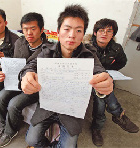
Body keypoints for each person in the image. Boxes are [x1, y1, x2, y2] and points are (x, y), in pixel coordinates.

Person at [20, 5, 114, 148]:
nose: (72, 35)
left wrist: (105, 80)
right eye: (67, 29)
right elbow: (30, 65)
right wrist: (26, 75)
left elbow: (99, 71)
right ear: (58, 32)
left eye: (78, 30)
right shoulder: (47, 51)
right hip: (48, 104)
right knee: (31, 140)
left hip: (73, 108)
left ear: (83, 35)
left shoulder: (89, 54)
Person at [0, 12, 51, 147]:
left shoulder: (49, 49)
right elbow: (15, 64)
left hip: (35, 87)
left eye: (33, 28)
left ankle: (10, 131)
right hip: (16, 82)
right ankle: (3, 124)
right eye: (25, 29)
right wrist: (4, 73)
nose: (29, 33)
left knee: (14, 104)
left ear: (41, 29)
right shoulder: (20, 42)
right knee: (0, 97)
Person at [84, 18, 139, 147]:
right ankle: (118, 115)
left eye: (109, 31)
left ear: (113, 34)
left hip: (106, 78)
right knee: (101, 96)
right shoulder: (86, 46)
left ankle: (97, 128)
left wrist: (110, 72)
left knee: (101, 97)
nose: (105, 33)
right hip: (89, 78)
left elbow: (122, 62)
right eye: (101, 30)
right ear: (95, 33)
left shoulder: (116, 48)